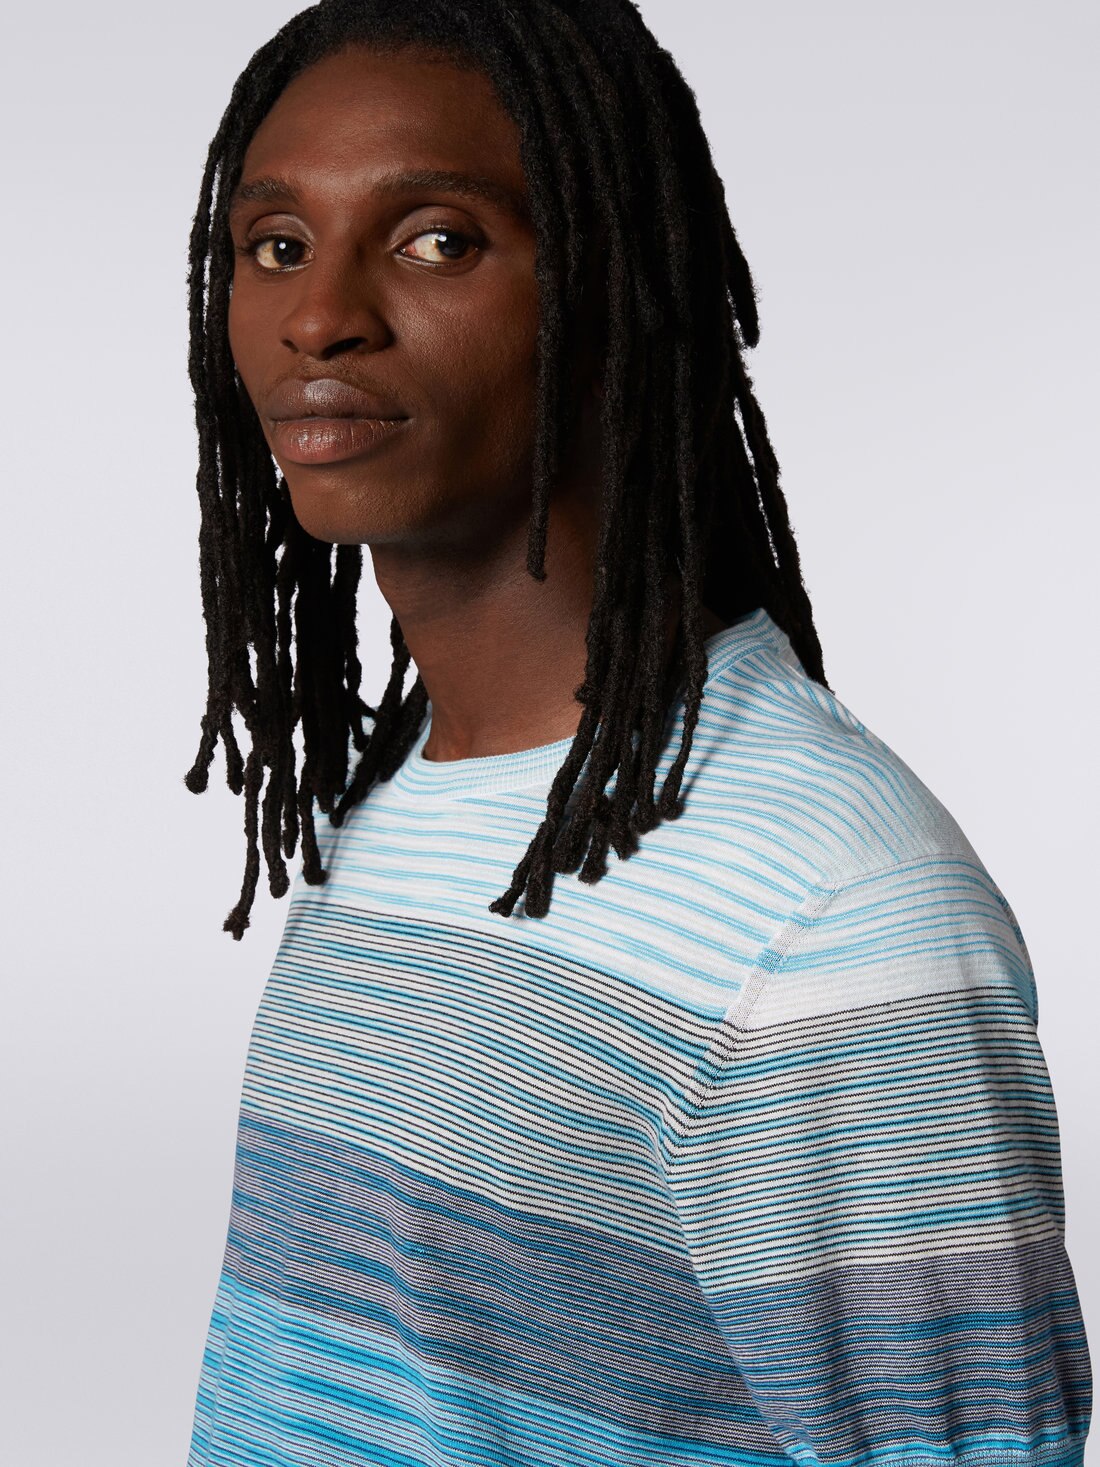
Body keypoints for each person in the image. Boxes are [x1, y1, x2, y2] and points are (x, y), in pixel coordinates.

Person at [182, 1, 1092, 1463]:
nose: (318, 316)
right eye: (275, 245)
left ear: (618, 284)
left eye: (437, 241)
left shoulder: (829, 903)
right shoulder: (414, 792)